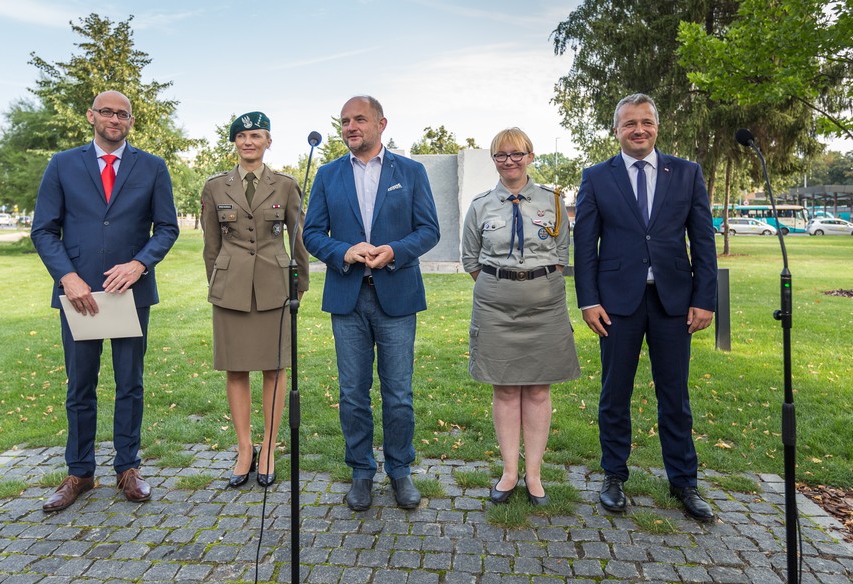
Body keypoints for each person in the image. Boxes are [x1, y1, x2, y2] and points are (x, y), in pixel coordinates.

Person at [31, 90, 179, 512]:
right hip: (78, 294)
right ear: (92, 116)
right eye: (108, 112)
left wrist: (140, 265)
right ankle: (79, 471)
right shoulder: (62, 164)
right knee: (80, 386)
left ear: (131, 121)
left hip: (131, 293)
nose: (115, 119)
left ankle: (128, 469)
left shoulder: (152, 166)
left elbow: (166, 228)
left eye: (124, 114)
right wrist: (67, 277)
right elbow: (44, 229)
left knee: (130, 383)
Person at [573, 93, 718, 521]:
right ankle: (614, 475)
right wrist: (588, 300)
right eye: (630, 123)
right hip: (616, 303)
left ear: (657, 126)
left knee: (675, 395)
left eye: (647, 122)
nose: (639, 130)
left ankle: (684, 482)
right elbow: (585, 247)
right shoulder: (597, 176)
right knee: (615, 393)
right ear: (616, 129)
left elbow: (703, 242)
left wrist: (704, 299)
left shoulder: (687, 173)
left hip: (674, 301)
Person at [302, 95, 440, 511]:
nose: (350, 127)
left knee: (398, 393)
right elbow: (311, 234)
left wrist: (394, 250)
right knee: (352, 394)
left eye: (359, 119)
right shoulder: (327, 175)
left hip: (396, 294)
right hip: (348, 297)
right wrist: (343, 251)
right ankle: (361, 471)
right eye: (344, 121)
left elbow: (429, 230)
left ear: (381, 123)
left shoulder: (411, 172)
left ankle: (400, 471)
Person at [461, 127, 580, 506]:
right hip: (496, 304)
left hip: (545, 304)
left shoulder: (554, 202)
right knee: (506, 387)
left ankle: (535, 475)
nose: (509, 161)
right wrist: (505, 283)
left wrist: (532, 282)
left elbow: (561, 256)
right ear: (494, 161)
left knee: (539, 387)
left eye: (516, 154)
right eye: (501, 155)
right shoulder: (481, 205)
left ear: (530, 156)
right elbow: (470, 259)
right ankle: (510, 472)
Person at [201, 111, 309, 488]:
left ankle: (268, 447)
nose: (249, 142)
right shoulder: (215, 187)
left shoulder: (285, 185)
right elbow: (211, 247)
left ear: (268, 141)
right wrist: (219, 283)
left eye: (257, 135)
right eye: (242, 136)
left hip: (273, 285)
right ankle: (244, 447)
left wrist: (299, 286)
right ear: (234, 142)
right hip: (231, 287)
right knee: (236, 368)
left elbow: (298, 240)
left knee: (274, 368)